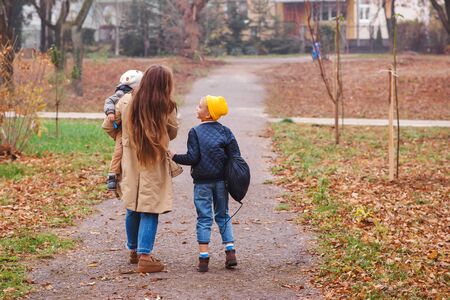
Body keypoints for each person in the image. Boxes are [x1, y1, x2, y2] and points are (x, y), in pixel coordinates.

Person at [118, 65, 178, 273]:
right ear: (165, 85)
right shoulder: (166, 107)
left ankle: (134, 250)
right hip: (153, 163)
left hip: (131, 162)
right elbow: (172, 133)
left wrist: (125, 140)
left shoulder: (126, 102)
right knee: (150, 208)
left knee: (133, 205)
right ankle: (145, 255)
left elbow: (110, 126)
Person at [170, 95, 241, 272]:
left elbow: (192, 158)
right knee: (223, 215)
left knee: (204, 217)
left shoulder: (195, 132)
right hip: (221, 182)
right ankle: (230, 251)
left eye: (200, 106)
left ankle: (204, 259)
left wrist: (174, 156)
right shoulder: (226, 131)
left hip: (202, 183)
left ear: (208, 113)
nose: (197, 108)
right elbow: (235, 156)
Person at [103, 70, 143, 190]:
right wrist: (110, 112)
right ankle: (112, 175)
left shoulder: (145, 95)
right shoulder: (121, 94)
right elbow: (109, 101)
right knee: (119, 151)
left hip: (138, 128)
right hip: (122, 129)